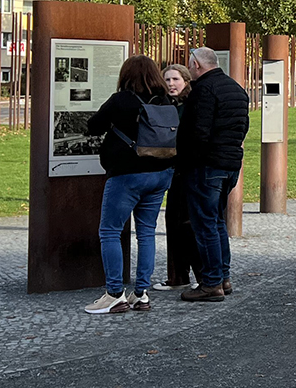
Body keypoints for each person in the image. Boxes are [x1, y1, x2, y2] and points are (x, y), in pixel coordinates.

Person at [83, 56, 176, 315]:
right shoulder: (165, 101)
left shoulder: (121, 100)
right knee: (146, 232)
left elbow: (93, 126)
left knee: (110, 231)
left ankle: (114, 294)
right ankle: (141, 294)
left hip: (127, 175)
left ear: (126, 75)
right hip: (160, 173)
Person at [178, 47, 251, 302]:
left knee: (205, 224)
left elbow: (198, 131)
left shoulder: (203, 90)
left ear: (197, 65)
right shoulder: (236, 89)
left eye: (189, 64)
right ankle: (223, 277)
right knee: (217, 222)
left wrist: (187, 162)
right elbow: (243, 127)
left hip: (206, 166)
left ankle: (211, 283)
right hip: (230, 164)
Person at [154, 63, 196, 291]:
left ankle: (194, 273)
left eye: (175, 80)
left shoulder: (190, 104)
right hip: (172, 167)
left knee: (187, 222)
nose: (171, 84)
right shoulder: (164, 103)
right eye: (167, 80)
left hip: (187, 169)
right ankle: (178, 274)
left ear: (186, 81)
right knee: (173, 221)